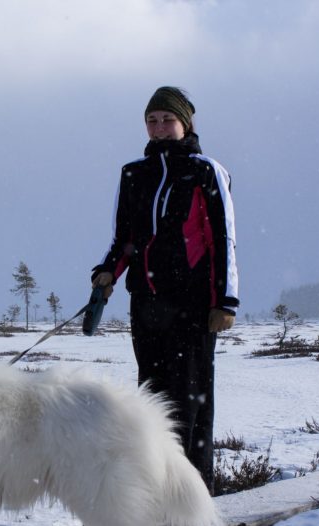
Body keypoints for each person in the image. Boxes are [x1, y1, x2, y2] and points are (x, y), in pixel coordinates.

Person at [91, 86, 238, 493]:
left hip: (192, 305)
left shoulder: (205, 170)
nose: (158, 128)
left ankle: (193, 495)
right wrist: (107, 273)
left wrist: (225, 301)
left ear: (185, 123)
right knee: (151, 401)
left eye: (166, 120)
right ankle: (155, 491)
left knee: (189, 400)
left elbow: (222, 238)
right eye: (151, 120)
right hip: (147, 305)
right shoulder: (134, 173)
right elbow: (124, 236)